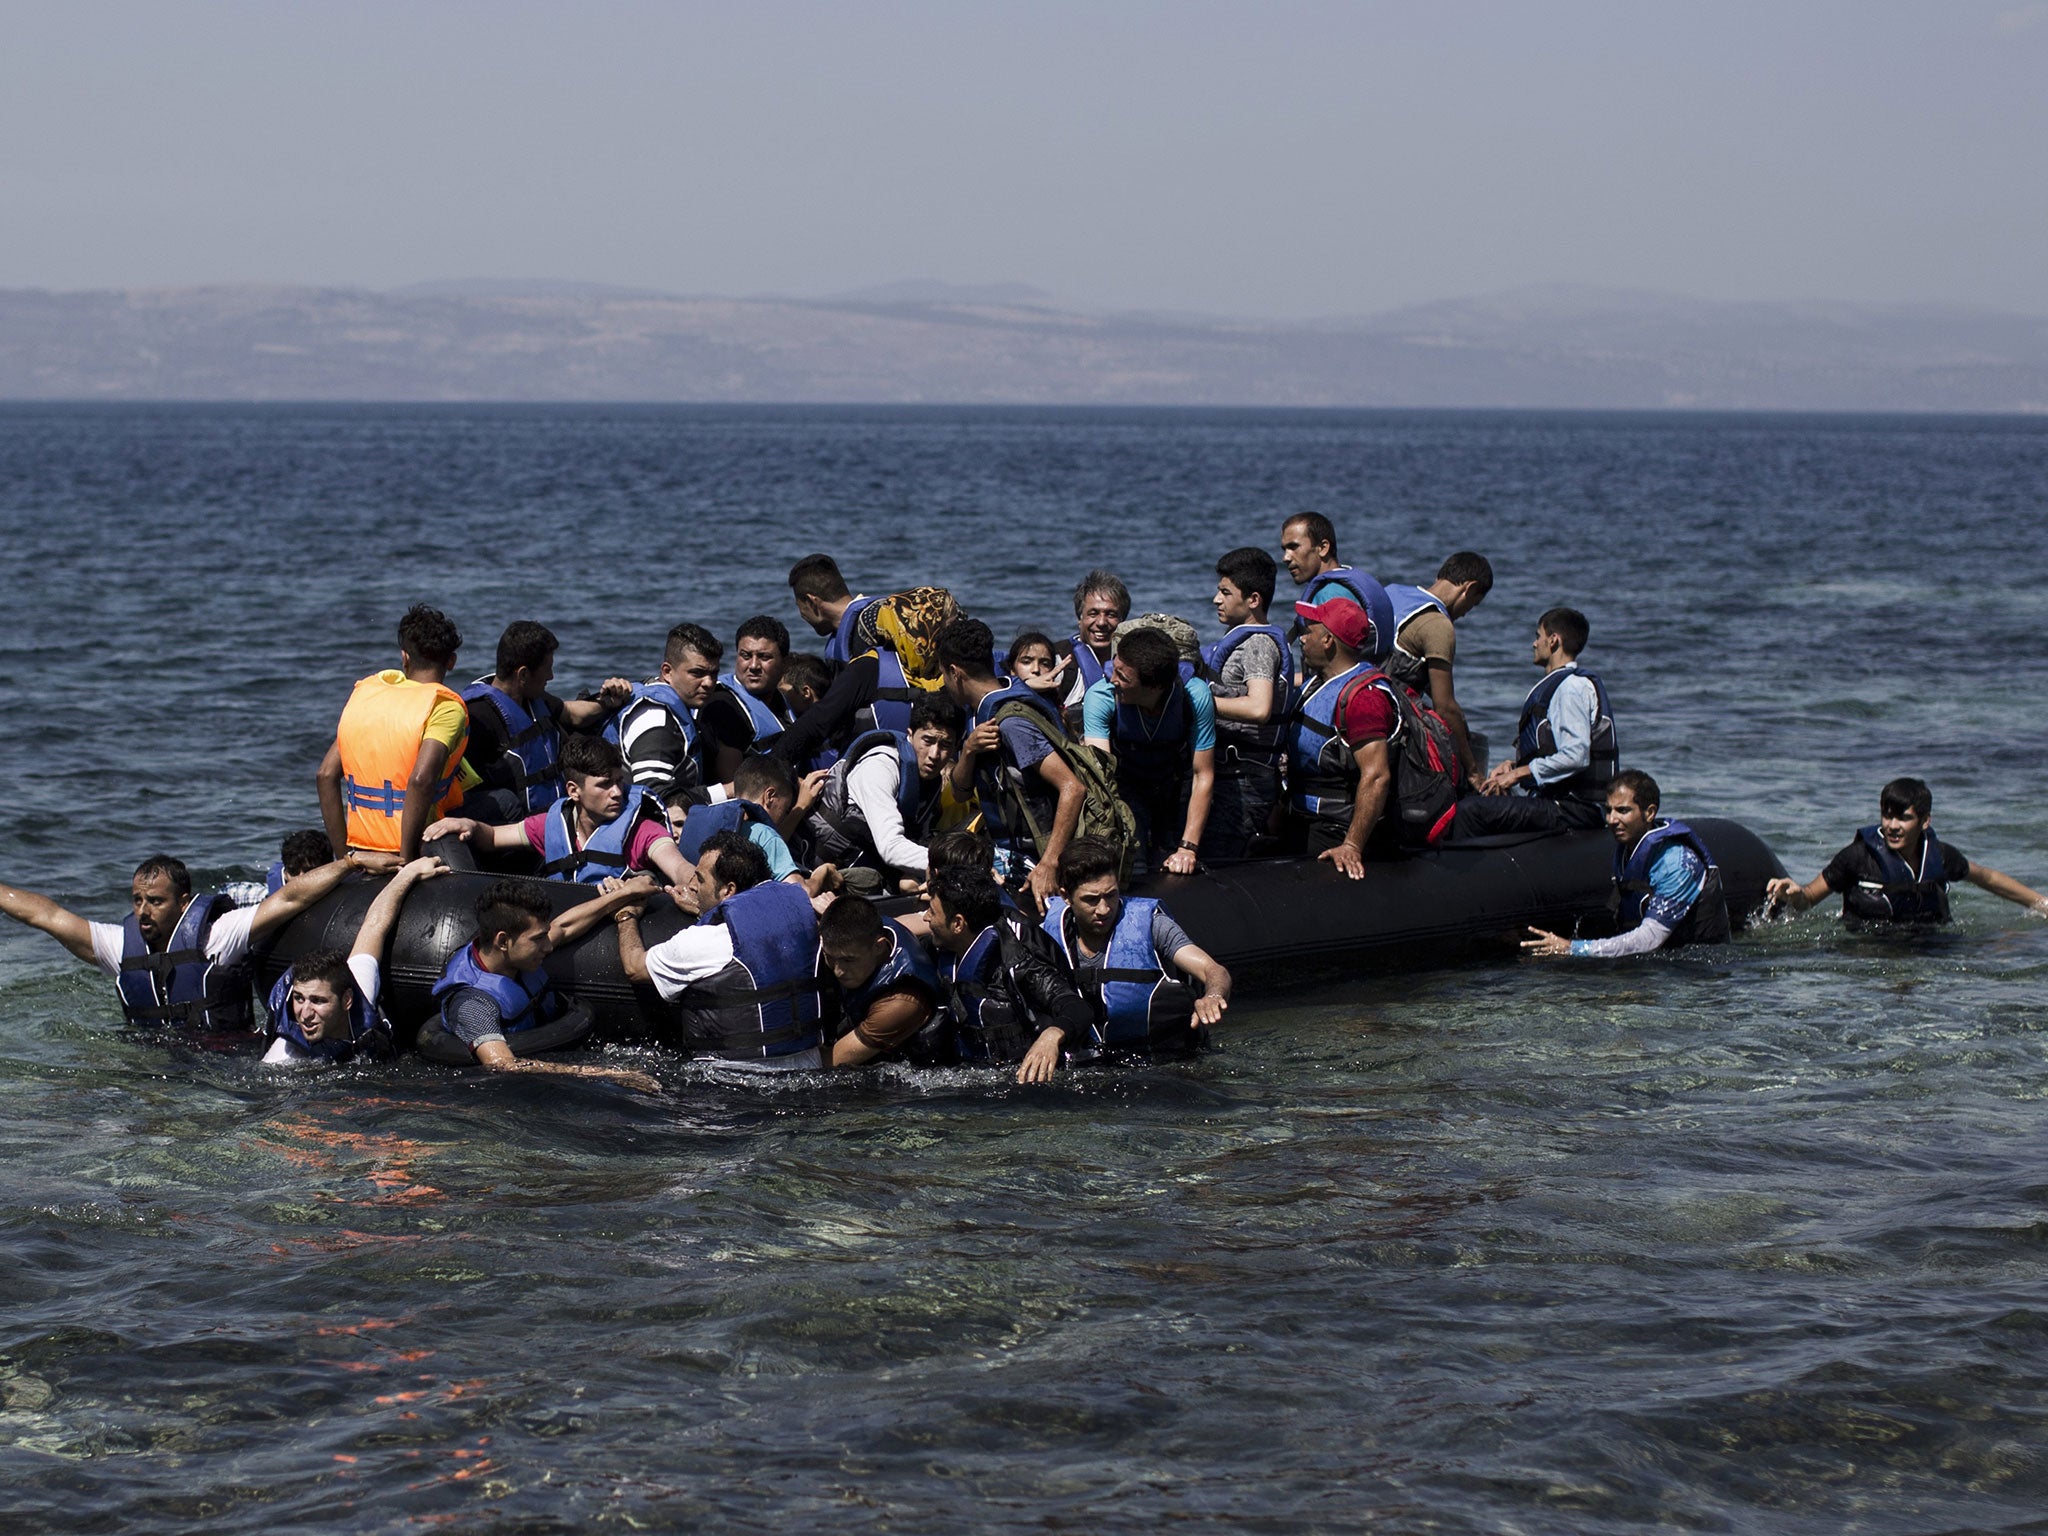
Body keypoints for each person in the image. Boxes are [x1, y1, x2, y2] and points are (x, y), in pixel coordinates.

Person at [1, 849, 389, 1034]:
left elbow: (289, 898)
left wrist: (351, 863)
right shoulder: (119, 945)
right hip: (156, 1066)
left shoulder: (218, 934)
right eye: (137, 901)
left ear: (183, 902)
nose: (143, 911)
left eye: (155, 901)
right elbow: (46, 915)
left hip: (223, 1060)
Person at [613, 831, 826, 1069]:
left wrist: (626, 913)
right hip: (808, 1067)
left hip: (733, 1083)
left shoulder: (704, 940)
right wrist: (704, 912)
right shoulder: (803, 917)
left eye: (701, 879)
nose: (692, 886)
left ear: (728, 890)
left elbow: (635, 967)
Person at [421, 879, 659, 1089]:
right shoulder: (473, 1005)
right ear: (502, 941)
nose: (547, 946)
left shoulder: (513, 952)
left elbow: (563, 928)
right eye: (538, 939)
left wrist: (624, 894)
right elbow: (504, 1065)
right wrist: (606, 1074)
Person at [939, 617, 1088, 912]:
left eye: (942, 673)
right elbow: (959, 793)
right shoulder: (981, 712)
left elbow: (1073, 788)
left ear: (955, 673)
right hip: (1006, 846)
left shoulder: (1011, 723)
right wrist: (968, 750)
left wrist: (1049, 864)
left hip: (1037, 855)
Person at [1764, 777, 2048, 925]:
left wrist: (2041, 904)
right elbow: (1810, 898)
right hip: (1869, 949)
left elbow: (1987, 878)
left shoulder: (1940, 856)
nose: (1893, 826)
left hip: (1928, 945)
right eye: (1887, 816)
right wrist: (1795, 894)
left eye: (1903, 818)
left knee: (2008, 944)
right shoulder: (1857, 856)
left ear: (1925, 821)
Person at [1041, 838, 1231, 1057]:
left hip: (1165, 1060)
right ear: (1066, 896)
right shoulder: (1046, 935)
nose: (1104, 909)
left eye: (1111, 895)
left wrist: (1213, 996)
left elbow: (1214, 970)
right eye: (1091, 900)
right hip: (1091, 1066)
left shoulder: (1151, 924)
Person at [426, 735, 691, 888]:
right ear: (574, 791)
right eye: (604, 785)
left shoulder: (643, 831)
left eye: (619, 782)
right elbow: (494, 837)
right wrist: (469, 825)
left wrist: (691, 884)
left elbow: (677, 866)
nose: (617, 793)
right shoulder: (552, 824)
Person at [316, 604, 469, 861]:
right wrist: (406, 861)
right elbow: (421, 780)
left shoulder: (370, 695)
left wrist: (346, 860)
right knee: (504, 805)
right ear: (451, 661)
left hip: (362, 845)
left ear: (404, 657)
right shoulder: (444, 708)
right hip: (414, 843)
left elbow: (325, 775)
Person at [1523, 771, 1730, 958]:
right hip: (1661, 961)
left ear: (1649, 813)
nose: (1612, 820)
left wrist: (1573, 948)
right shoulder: (1626, 851)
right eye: (1608, 810)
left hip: (1699, 971)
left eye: (1623, 811)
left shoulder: (1675, 864)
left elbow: (1649, 939)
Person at [1451, 606, 1617, 838]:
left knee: (1469, 811)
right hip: (1560, 804)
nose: (1534, 643)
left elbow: (1576, 755)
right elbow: (1553, 750)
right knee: (1479, 798)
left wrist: (1517, 775)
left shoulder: (1570, 688)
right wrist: (1512, 765)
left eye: (1538, 636)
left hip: (1575, 810)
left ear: (1553, 640)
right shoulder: (1561, 686)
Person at [262, 854, 446, 1065]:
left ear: (347, 999)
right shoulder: (284, 1058)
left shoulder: (359, 991)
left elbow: (374, 925)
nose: (305, 1014)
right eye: (299, 998)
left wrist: (410, 872)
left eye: (318, 1001)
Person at [924, 864, 1094, 1083]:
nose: (926, 918)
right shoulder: (941, 952)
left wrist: (1052, 1035)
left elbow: (1078, 1008)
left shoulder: (1018, 963)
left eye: (932, 911)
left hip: (1029, 1082)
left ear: (958, 923)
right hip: (973, 1075)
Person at [459, 620, 634, 824]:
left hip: (556, 815)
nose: (551, 676)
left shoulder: (533, 697)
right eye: (547, 668)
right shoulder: (478, 718)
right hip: (515, 830)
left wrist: (608, 701)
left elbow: (572, 713)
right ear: (523, 674)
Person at [1282, 598, 1403, 878]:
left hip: (1335, 828)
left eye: (1308, 630)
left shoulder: (1364, 698)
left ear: (1327, 640)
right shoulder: (1316, 682)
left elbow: (1376, 776)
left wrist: (1351, 845)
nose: (1301, 638)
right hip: (1302, 818)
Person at [1082, 626, 1216, 875]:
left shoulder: (1195, 696)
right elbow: (1100, 780)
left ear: (1154, 687)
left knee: (1181, 867)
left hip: (1175, 787)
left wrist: (1188, 848)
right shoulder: (1101, 697)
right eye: (1115, 668)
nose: (1113, 679)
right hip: (1127, 787)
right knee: (1136, 868)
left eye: (1123, 676)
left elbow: (1203, 775)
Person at [801, 694, 965, 889]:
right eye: (927, 741)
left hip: (863, 871)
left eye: (945, 745)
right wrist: (958, 864)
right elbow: (891, 847)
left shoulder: (930, 781)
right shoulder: (879, 767)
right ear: (910, 734)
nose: (934, 755)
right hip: (810, 868)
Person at [1201, 547, 1291, 859]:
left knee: (1218, 857)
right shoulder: (1242, 638)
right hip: (1230, 773)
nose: (1216, 599)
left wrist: (1200, 702)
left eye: (1225, 592)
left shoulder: (1258, 645)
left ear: (1253, 599)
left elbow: (1259, 708)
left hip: (1245, 778)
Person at [1381, 552, 1494, 783]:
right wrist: (1473, 771)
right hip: (1387, 725)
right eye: (1473, 605)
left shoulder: (1391, 593)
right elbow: (1445, 707)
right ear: (1469, 588)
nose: (1465, 614)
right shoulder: (1438, 625)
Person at [672, 754, 831, 899]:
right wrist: (822, 874)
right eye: (787, 808)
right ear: (770, 796)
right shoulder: (766, 836)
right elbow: (801, 893)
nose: (784, 816)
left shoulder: (702, 819)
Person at [817, 893, 946, 1067]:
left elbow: (826, 1063)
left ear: (878, 947)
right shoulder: (868, 929)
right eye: (830, 957)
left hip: (911, 1083)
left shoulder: (902, 1002)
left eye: (848, 960)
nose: (838, 971)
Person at [607, 622, 722, 815]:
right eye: (697, 673)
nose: (709, 683)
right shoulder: (655, 719)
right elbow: (653, 795)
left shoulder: (668, 698)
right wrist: (725, 792)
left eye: (714, 673)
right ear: (667, 672)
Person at [1277, 513, 1396, 666]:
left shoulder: (1329, 596)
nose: (1285, 557)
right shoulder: (1348, 580)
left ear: (1323, 548)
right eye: (1284, 549)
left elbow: (1333, 668)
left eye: (1294, 547)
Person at [698, 616, 797, 785]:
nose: (753, 666)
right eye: (746, 655)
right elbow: (734, 787)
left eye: (764, 657)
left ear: (785, 663)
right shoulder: (723, 707)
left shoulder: (783, 701)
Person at [788, 552, 887, 666]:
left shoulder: (870, 624)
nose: (801, 615)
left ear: (812, 602)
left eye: (799, 605)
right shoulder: (880, 614)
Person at [1061, 571, 1131, 728]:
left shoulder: (1134, 663)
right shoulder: (1056, 660)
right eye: (1093, 613)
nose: (1101, 622)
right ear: (1080, 618)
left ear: (1123, 621)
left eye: (1111, 614)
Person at [226, 828, 334, 908]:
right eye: (293, 871)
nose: (300, 879)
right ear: (285, 873)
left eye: (308, 872)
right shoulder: (257, 900)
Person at [1006, 631, 1068, 712]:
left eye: (1045, 664)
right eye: (1026, 662)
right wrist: (1025, 686)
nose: (1036, 669)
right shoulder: (1003, 701)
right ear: (1012, 670)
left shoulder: (1058, 706)